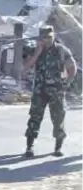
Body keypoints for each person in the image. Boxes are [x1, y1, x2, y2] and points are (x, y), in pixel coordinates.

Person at [22, 25, 77, 157]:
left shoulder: (61, 50)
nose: (46, 40)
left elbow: (72, 67)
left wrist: (66, 82)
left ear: (53, 36)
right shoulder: (34, 50)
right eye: (44, 37)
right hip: (40, 90)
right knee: (34, 118)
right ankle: (30, 147)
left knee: (58, 118)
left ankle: (58, 148)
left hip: (56, 91)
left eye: (49, 37)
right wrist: (37, 53)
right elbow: (25, 68)